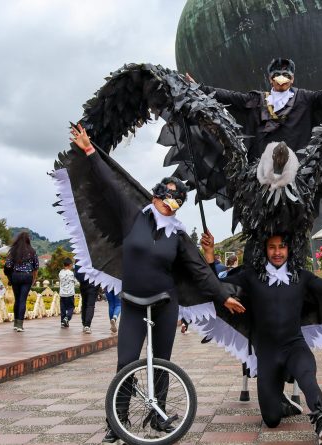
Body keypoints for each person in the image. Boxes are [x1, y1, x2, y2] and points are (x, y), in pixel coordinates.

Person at [70, 124, 244, 443]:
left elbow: (200, 272)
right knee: (126, 362)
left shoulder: (177, 234)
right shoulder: (133, 216)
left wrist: (222, 297)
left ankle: (159, 416)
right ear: (155, 195)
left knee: (161, 363)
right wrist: (89, 150)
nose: (170, 204)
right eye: (166, 198)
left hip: (165, 304)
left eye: (176, 201)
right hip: (134, 304)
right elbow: (110, 185)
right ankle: (116, 421)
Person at [202, 231, 322, 445]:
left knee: (307, 378)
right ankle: (285, 404)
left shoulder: (301, 276)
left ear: (289, 249)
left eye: (282, 246)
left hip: (295, 347)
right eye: (272, 247)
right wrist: (209, 254)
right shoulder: (251, 276)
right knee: (271, 419)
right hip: (267, 354)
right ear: (265, 250)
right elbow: (217, 287)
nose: (277, 252)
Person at [186, 58, 322, 161]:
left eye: (286, 75)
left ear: (292, 78)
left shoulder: (305, 98)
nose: (282, 78)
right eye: (277, 75)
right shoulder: (256, 100)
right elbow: (227, 96)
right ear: (270, 78)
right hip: (261, 166)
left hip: (298, 166)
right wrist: (199, 89)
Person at [4, 231, 39, 332]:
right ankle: (20, 324)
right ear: (28, 239)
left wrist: (10, 275)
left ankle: (15, 323)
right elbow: (36, 267)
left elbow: (8, 265)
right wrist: (34, 278)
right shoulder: (32, 251)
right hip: (27, 276)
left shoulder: (13, 250)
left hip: (16, 276)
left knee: (17, 299)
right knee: (23, 300)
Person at [73, 264, 98, 333]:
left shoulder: (80, 257)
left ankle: (84, 324)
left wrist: (82, 280)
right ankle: (87, 325)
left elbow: (76, 273)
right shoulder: (96, 258)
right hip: (94, 284)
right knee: (90, 305)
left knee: (84, 303)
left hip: (83, 284)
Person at [58, 258, 76, 328]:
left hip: (62, 294)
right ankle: (67, 318)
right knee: (71, 307)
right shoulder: (71, 273)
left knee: (63, 308)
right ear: (70, 265)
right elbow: (75, 281)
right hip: (70, 294)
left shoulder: (60, 273)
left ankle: (63, 322)